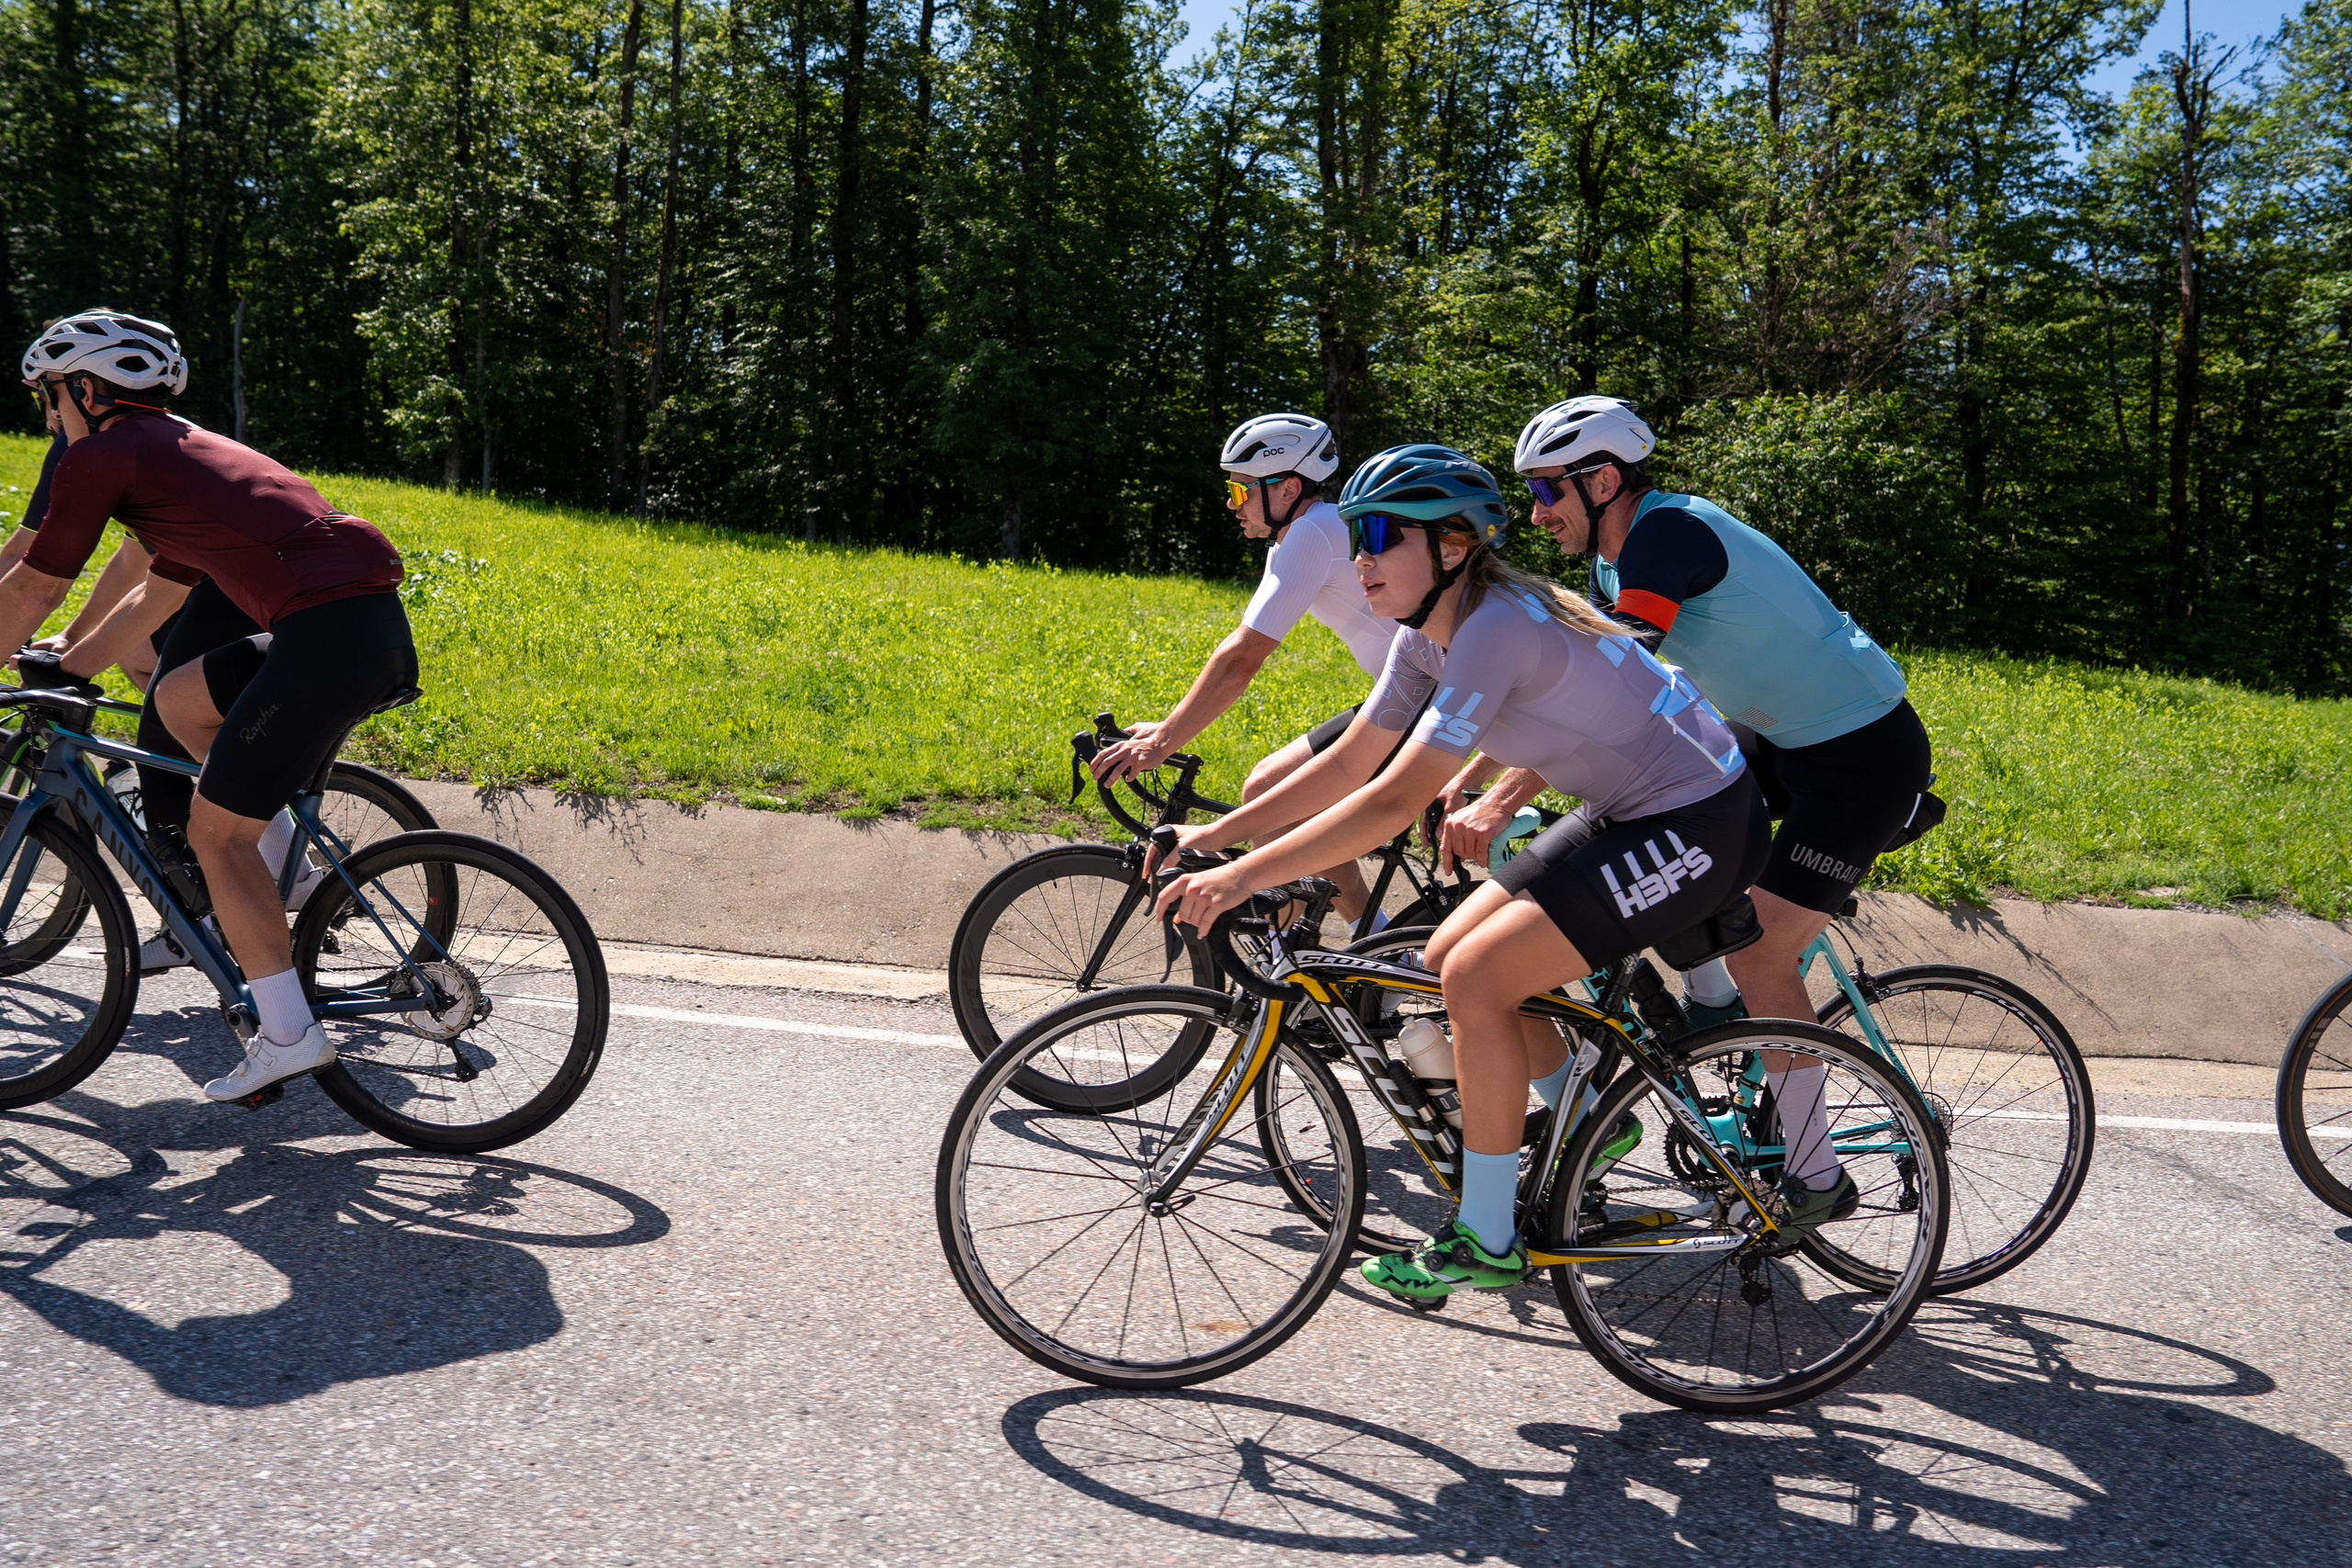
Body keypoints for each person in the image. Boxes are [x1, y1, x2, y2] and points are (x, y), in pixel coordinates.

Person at [1153, 445, 1777, 1302]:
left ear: (1451, 547)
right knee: (1449, 955)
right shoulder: (1426, 636)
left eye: (1381, 536)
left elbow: (1389, 802)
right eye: (1357, 537)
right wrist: (1216, 835)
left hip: (1702, 817)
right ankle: (1588, 1121)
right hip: (1632, 806)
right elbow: (1350, 766)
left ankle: (1487, 1237)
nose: (1361, 558)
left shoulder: (1494, 628)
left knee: (1479, 976)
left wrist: (1236, 876)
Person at [1482, 393, 1933, 1215]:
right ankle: (1713, 1003)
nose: (1537, 513)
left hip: (1862, 757)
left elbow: (1612, 692)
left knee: (1762, 953)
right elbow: (1569, 688)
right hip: (1776, 739)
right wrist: (1488, 770)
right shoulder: (1613, 564)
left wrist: (1505, 789)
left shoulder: (1667, 535)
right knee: (1677, 826)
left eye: (1547, 491)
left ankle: (1817, 1176)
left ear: (1603, 481)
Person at [8, 311, 417, 1101]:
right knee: (178, 698)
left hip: (326, 639)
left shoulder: (104, 454)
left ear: (86, 391)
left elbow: (35, 586)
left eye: (48, 398)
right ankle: (281, 873)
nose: (49, 419)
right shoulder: (180, 454)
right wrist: (69, 665)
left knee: (215, 834)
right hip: (357, 628)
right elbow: (157, 593)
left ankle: (288, 1034)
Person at [1091, 413, 1400, 925]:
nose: (1231, 505)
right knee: (1277, 803)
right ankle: (1335, 946)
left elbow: (1242, 659)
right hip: (1405, 693)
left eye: (1240, 491)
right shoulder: (1303, 533)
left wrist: (1162, 741)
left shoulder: (1314, 532)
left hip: (1422, 697)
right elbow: (1240, 648)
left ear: (1288, 489)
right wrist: (1167, 728)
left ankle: (1378, 949)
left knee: (1267, 793)